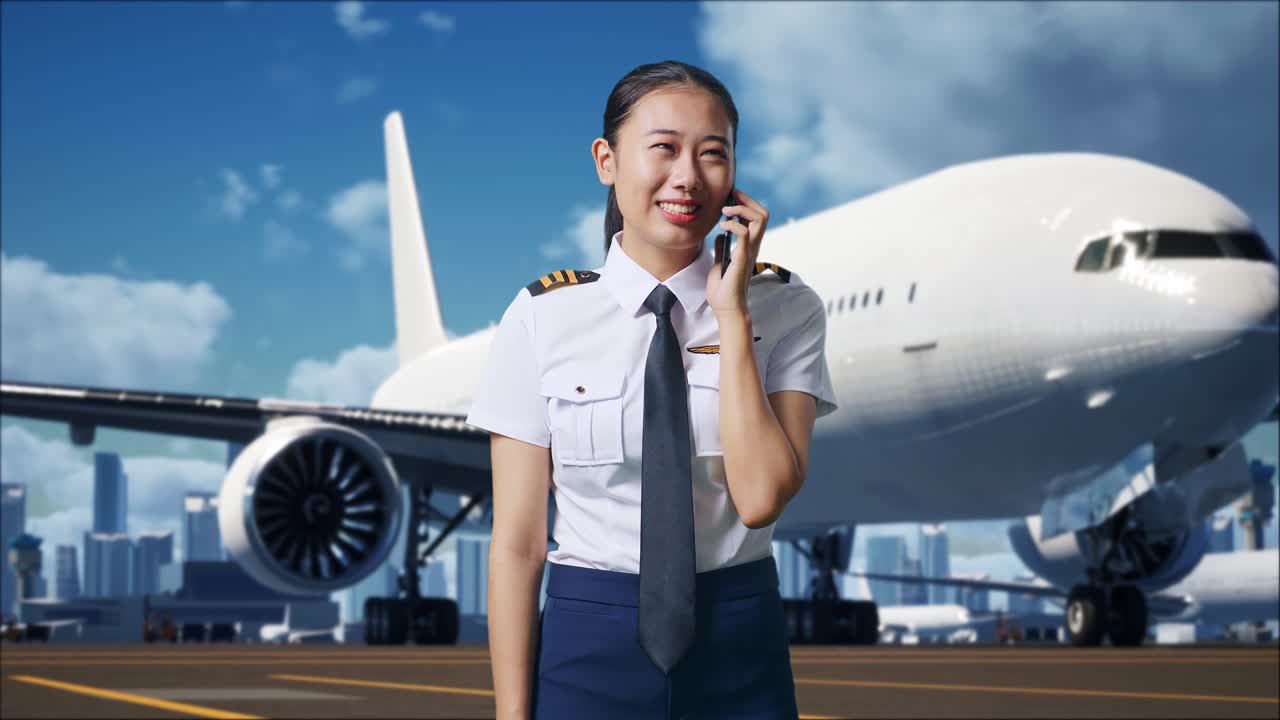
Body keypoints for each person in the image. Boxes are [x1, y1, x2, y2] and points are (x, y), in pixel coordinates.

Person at [466, 59, 838, 720]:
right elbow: (518, 546)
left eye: (713, 153)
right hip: (586, 642)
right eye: (663, 148)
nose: (688, 176)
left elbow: (759, 499)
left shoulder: (786, 308)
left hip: (740, 644)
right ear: (606, 161)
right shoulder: (540, 317)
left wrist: (731, 314)